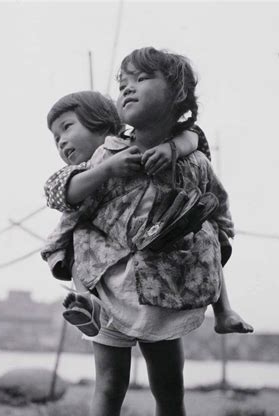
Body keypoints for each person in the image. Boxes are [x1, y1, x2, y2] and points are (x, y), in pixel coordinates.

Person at [43, 47, 251, 416]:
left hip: (165, 290)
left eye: (139, 79)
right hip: (111, 286)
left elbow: (214, 208)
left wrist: (180, 147)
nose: (127, 88)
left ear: (177, 93)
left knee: (169, 386)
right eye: (122, 84)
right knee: (110, 384)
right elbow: (62, 191)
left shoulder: (194, 157)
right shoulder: (110, 150)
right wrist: (106, 168)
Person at [42, 91, 253, 338]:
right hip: (110, 243)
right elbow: (58, 191)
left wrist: (170, 148)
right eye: (56, 139)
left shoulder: (137, 142)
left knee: (206, 233)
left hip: (160, 228)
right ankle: (88, 301)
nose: (61, 141)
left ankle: (223, 310)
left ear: (100, 120)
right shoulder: (87, 169)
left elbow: (194, 136)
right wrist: (106, 169)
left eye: (67, 127)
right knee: (78, 240)